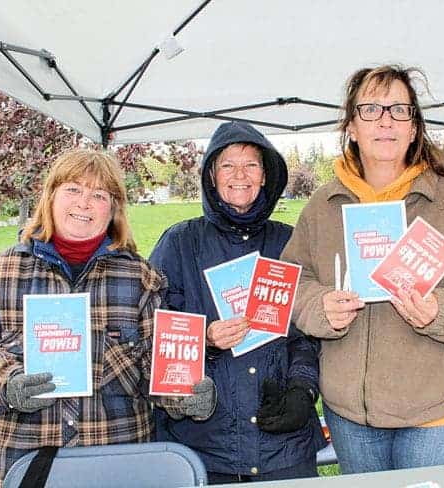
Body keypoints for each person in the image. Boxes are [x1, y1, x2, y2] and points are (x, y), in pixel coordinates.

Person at [280, 65, 444, 474]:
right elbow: (293, 281)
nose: (386, 120)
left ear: (414, 128)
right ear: (352, 126)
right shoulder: (323, 205)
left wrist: (440, 310)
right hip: (352, 416)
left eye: (399, 110)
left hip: (443, 415)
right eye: (371, 109)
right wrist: (320, 306)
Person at [0, 149, 216, 488]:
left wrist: (184, 394)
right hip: (26, 461)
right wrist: (7, 381)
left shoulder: (141, 279)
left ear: (114, 209)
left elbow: (158, 363)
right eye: (73, 189)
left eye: (99, 195)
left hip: (119, 463)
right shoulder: (1, 273)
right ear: (51, 196)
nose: (85, 203)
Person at [150, 121, 325, 484]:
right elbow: (152, 331)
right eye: (227, 165)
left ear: (266, 175)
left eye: (251, 165)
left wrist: (303, 389)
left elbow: (310, 331)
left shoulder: (288, 242)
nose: (240, 175)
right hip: (205, 446)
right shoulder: (180, 243)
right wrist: (205, 339)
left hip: (284, 444)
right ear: (211, 176)